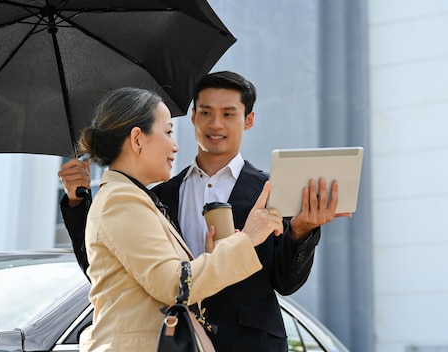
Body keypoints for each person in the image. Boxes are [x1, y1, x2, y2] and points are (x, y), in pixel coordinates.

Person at [59, 71, 348, 351]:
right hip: (171, 341)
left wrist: (301, 231)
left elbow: (286, 282)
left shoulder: (270, 192)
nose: (216, 124)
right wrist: (78, 203)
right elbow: (117, 274)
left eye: (229, 113)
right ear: (194, 116)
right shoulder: (150, 197)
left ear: (249, 120)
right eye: (206, 112)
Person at [73, 87, 284, 351]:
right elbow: (175, 285)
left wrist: (213, 255)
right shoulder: (121, 201)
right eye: (168, 131)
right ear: (137, 139)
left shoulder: (130, 197)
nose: (175, 145)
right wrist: (247, 238)